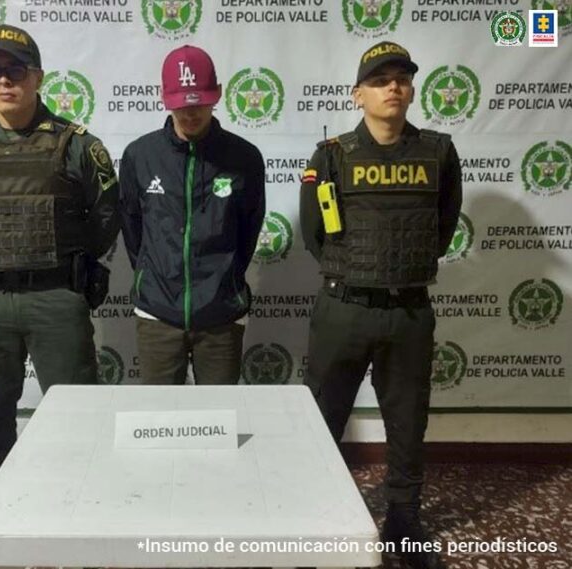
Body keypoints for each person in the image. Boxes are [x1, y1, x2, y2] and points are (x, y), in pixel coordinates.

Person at [299, 41, 461, 569]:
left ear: (412, 89)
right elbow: (315, 234)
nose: (393, 86)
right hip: (343, 307)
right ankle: (319, 512)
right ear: (358, 93)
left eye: (402, 78)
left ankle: (404, 520)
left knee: (408, 422)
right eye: (380, 79)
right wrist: (357, 275)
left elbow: (442, 226)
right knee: (324, 417)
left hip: (409, 311)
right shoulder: (331, 156)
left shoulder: (438, 152)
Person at [0, 24, 119, 492]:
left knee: (75, 403)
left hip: (56, 295)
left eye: (14, 70)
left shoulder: (78, 144)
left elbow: (104, 217)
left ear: (37, 77)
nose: (3, 81)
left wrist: (59, 258)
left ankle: (81, 482)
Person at [119, 45, 265, 385]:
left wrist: (223, 281)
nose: (190, 113)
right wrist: (152, 278)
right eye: (181, 104)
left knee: (219, 420)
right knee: (159, 420)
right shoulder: (140, 155)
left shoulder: (244, 157)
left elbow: (248, 230)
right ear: (164, 97)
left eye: (199, 102)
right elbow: (132, 229)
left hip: (221, 315)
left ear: (218, 95)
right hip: (157, 313)